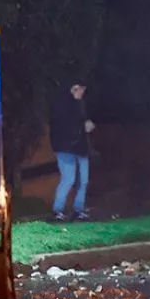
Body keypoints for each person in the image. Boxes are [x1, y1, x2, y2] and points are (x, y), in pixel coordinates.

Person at [50, 80, 94, 222]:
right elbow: (64, 125)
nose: (80, 92)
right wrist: (83, 125)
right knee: (68, 179)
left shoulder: (81, 104)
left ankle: (79, 210)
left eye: (82, 89)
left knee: (84, 179)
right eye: (77, 89)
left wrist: (87, 124)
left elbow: (82, 121)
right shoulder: (62, 105)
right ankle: (58, 210)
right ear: (70, 89)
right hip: (65, 148)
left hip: (80, 147)